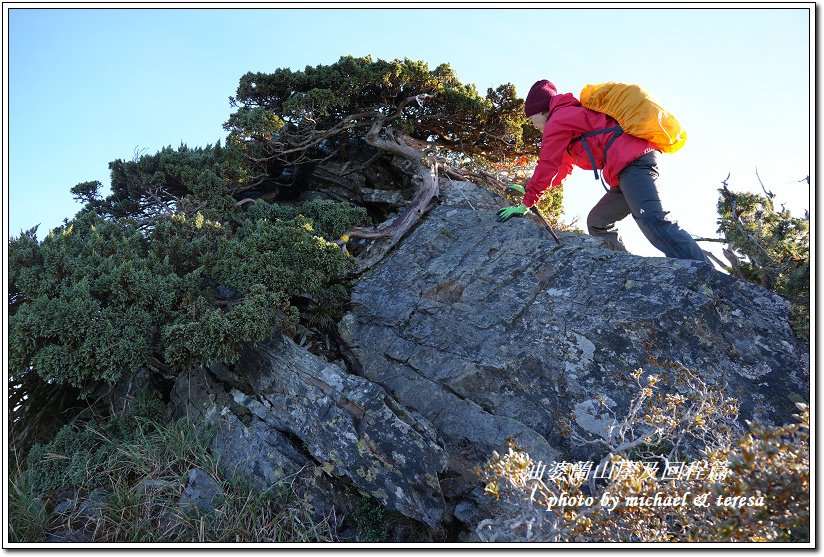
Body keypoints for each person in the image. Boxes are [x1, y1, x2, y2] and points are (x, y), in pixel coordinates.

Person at [497, 79, 710, 263]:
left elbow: (547, 163)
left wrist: (527, 204)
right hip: (625, 171)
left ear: (541, 110)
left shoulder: (559, 120)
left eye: (531, 118)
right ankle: (626, 266)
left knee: (653, 219)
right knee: (598, 222)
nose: (532, 124)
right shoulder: (568, 119)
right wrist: (528, 191)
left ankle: (704, 273)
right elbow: (560, 168)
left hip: (634, 162)